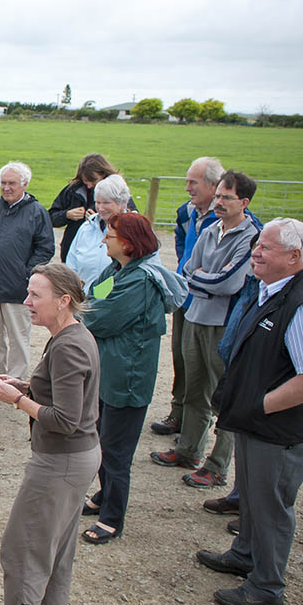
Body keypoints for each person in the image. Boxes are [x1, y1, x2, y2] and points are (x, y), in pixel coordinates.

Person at [0, 264, 100, 605]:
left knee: (24, 547)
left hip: (60, 462)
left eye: (35, 295)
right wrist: (27, 386)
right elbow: (65, 395)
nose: (26, 302)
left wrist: (18, 401)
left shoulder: (69, 347)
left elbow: (65, 419)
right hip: (77, 459)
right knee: (57, 543)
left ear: (63, 301)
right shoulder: (71, 336)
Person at [198, 218, 303, 605]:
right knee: (251, 496)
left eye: (266, 247)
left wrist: (259, 406)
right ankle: (245, 554)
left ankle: (267, 586)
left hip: (280, 430)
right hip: (256, 423)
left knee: (270, 506)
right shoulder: (272, 290)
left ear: (294, 256)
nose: (256, 252)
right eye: (257, 245)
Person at [79, 213, 187, 544]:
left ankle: (112, 518)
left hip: (127, 379)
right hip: (108, 374)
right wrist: (89, 308)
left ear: (128, 243)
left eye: (109, 236)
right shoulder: (117, 271)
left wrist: (89, 310)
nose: (103, 240)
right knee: (100, 440)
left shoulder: (140, 281)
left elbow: (99, 318)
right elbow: (92, 297)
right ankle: (104, 494)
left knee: (115, 451)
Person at [150, 171, 260, 487]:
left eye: (227, 197)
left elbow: (229, 283)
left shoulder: (251, 236)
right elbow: (187, 271)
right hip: (196, 316)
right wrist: (205, 280)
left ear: (244, 202)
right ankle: (188, 451)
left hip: (223, 324)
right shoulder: (210, 229)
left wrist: (202, 279)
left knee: (222, 395)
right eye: (219, 196)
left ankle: (218, 465)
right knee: (195, 389)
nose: (219, 202)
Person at [150, 156, 224, 435]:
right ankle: (178, 412)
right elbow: (181, 240)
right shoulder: (187, 212)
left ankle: (205, 425)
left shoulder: (225, 217)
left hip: (209, 303)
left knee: (204, 368)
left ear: (213, 185)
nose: (187, 188)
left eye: (193, 182)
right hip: (185, 296)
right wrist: (185, 266)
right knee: (181, 357)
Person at [0, 161, 55, 387]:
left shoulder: (36, 212)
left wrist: (27, 274)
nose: (6, 187)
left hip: (19, 288)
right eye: (3, 183)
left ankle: (15, 379)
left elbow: (45, 248)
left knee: (18, 335)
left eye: (12, 183)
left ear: (24, 184)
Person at [64, 174, 138, 289]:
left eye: (106, 203)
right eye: (98, 202)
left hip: (119, 295)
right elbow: (71, 264)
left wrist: (100, 295)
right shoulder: (86, 228)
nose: (100, 208)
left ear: (122, 203)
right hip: (85, 295)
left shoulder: (135, 229)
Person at [49, 153, 119, 263]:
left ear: (104, 174)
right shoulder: (72, 190)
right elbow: (50, 217)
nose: (89, 185)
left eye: (93, 180)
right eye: (85, 181)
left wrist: (100, 218)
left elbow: (129, 218)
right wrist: (66, 215)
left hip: (106, 256)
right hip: (71, 251)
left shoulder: (117, 192)